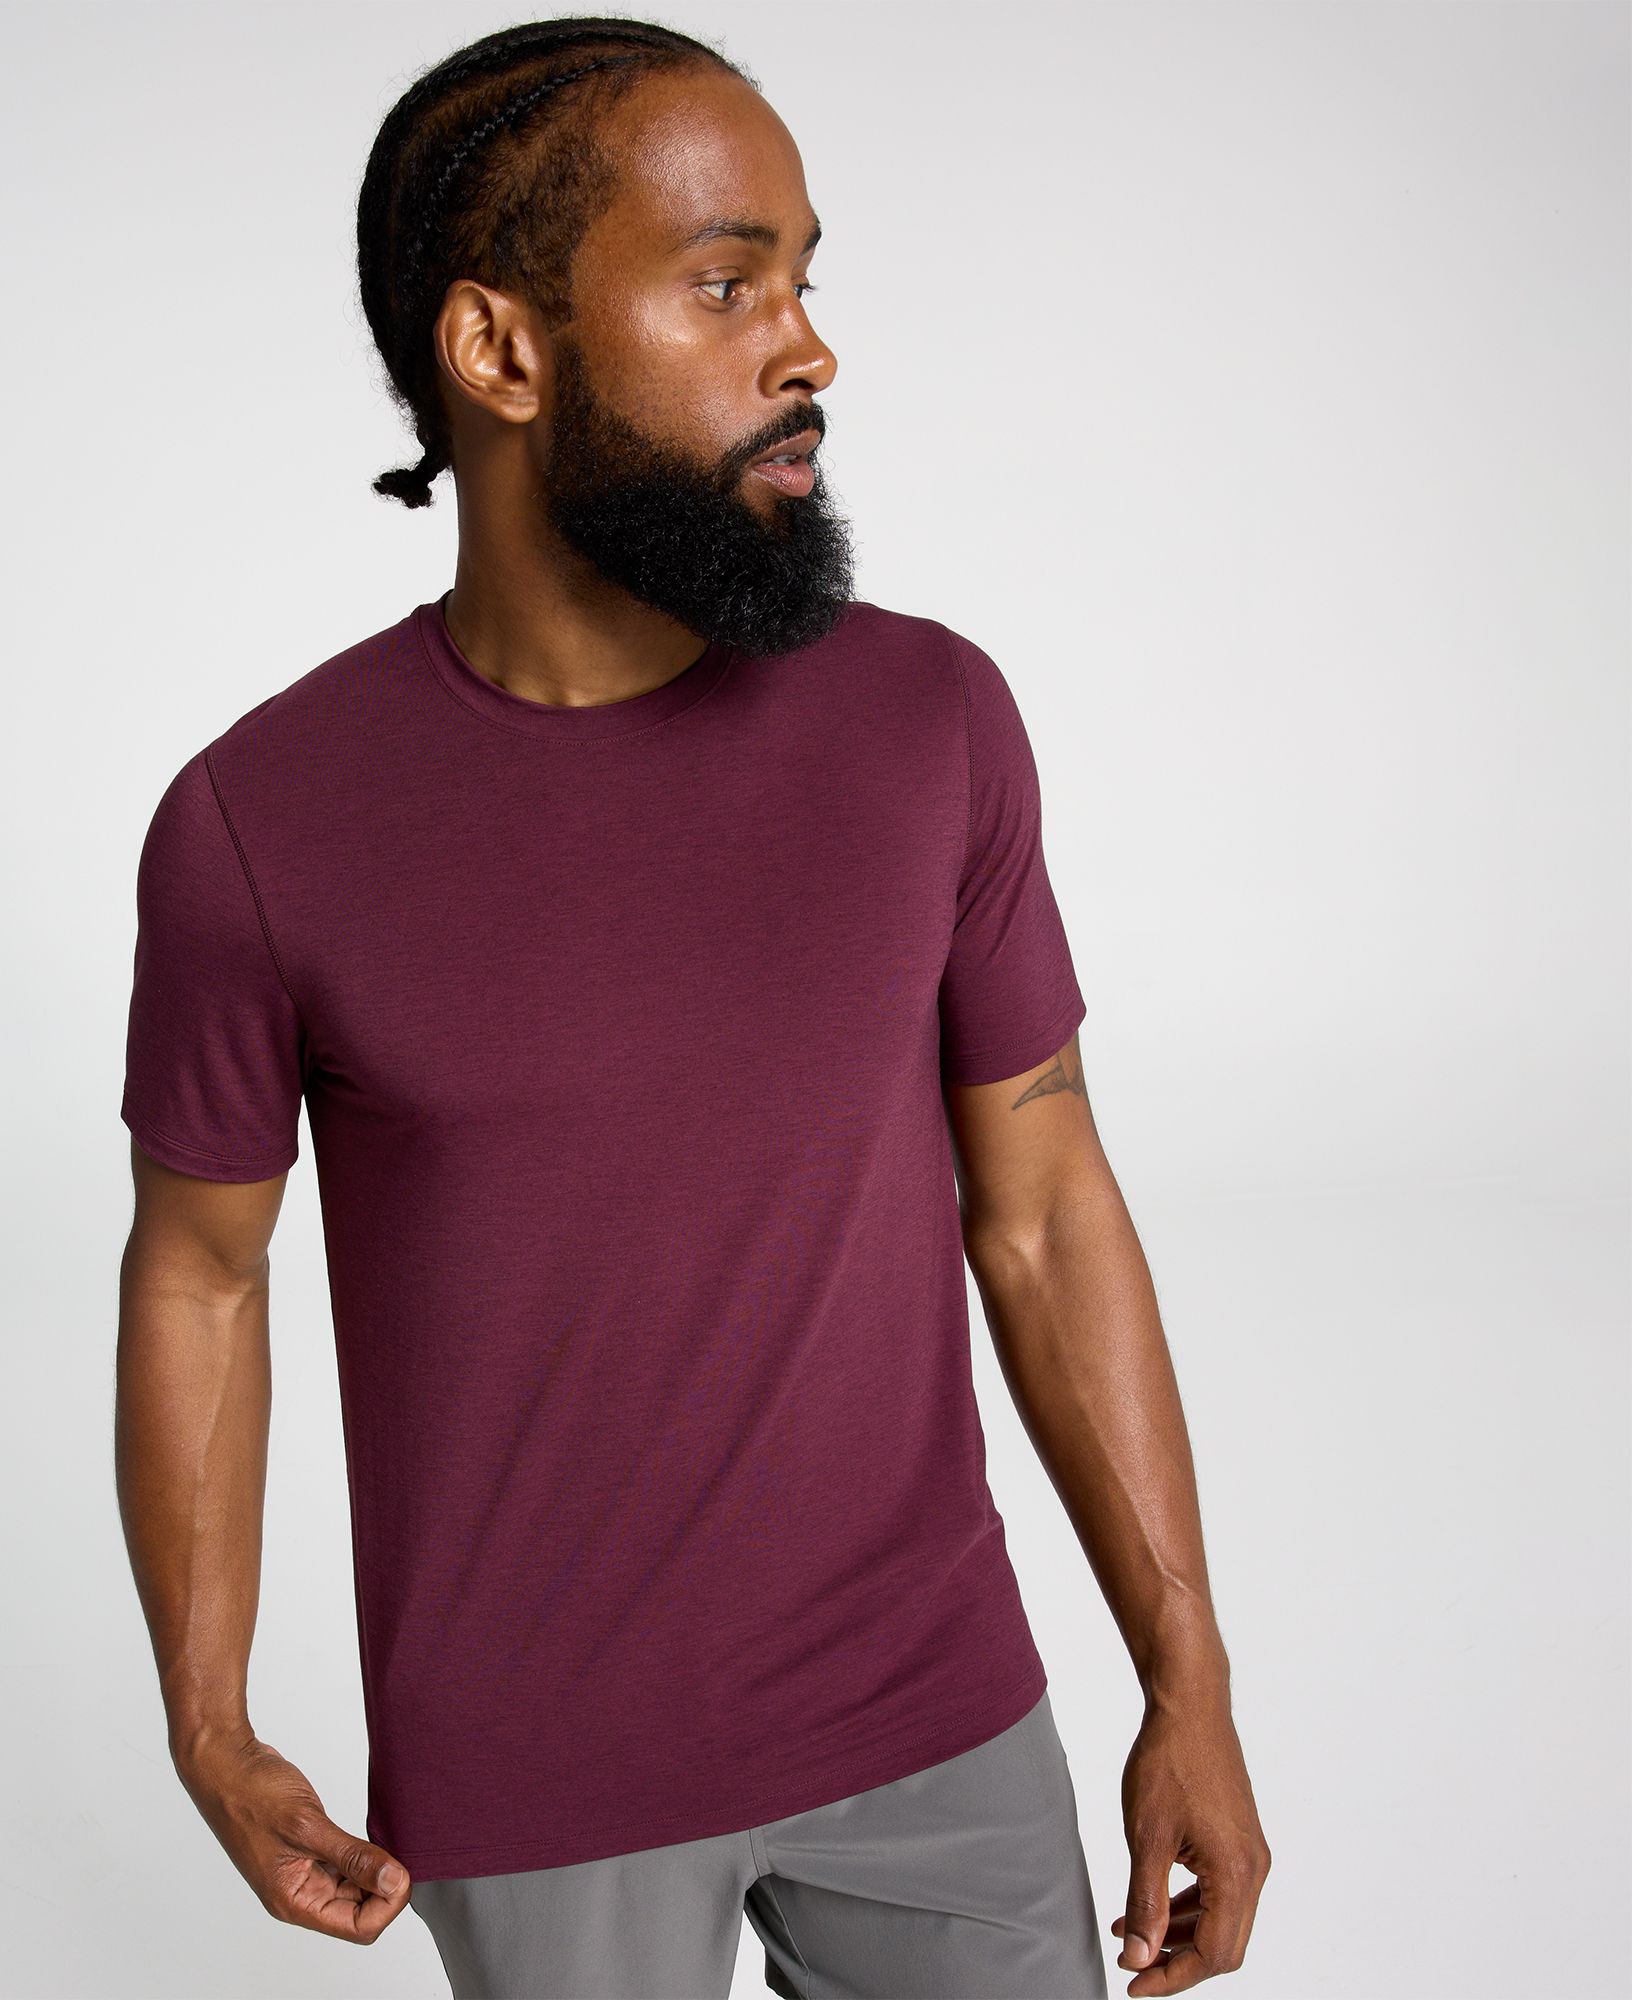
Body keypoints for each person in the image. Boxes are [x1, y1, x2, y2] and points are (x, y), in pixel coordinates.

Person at [114, 16, 1271, 1997]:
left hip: (939, 1715)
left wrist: (1189, 1674)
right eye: (727, 283)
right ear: (500, 352)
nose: (807, 347)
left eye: (805, 278)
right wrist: (208, 1725)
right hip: (537, 1776)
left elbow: (1046, 1204)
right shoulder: (260, 824)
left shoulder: (930, 721)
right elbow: (200, 1275)